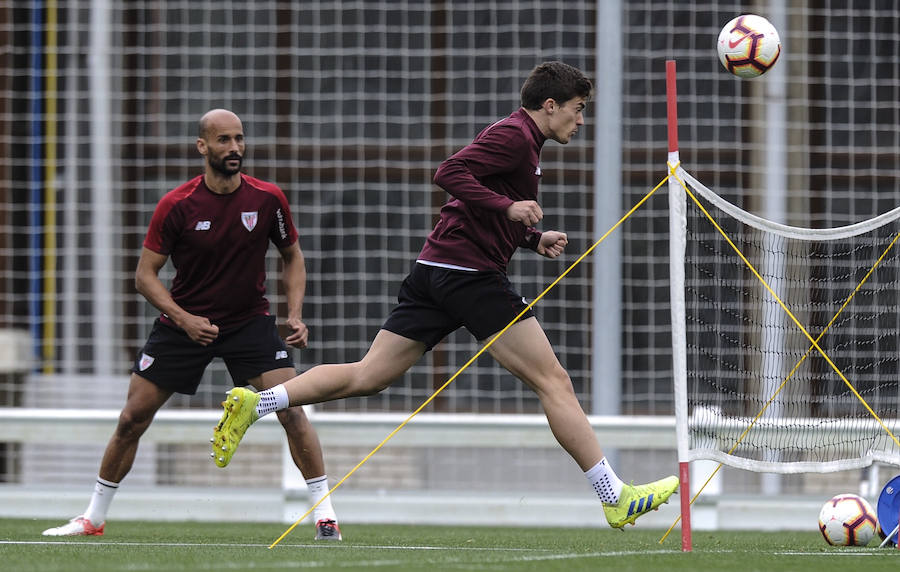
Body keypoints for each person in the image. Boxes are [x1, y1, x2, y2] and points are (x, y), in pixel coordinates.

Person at [213, 62, 678, 528]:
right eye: (577, 111)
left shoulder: (522, 140)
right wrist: (511, 207)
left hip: (436, 269)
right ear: (550, 106)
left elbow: (474, 206)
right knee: (553, 380)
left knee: (368, 375)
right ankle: (613, 494)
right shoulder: (515, 136)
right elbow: (449, 172)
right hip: (468, 275)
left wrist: (531, 238)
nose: (580, 121)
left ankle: (259, 402)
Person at [42, 109, 342, 541]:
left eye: (239, 138)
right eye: (223, 140)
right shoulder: (177, 205)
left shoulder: (267, 198)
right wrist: (184, 321)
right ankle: (92, 518)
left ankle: (325, 517)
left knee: (292, 411)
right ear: (203, 147)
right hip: (183, 324)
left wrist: (294, 313)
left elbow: (292, 255)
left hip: (249, 324)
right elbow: (144, 276)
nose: (234, 148)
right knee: (132, 418)